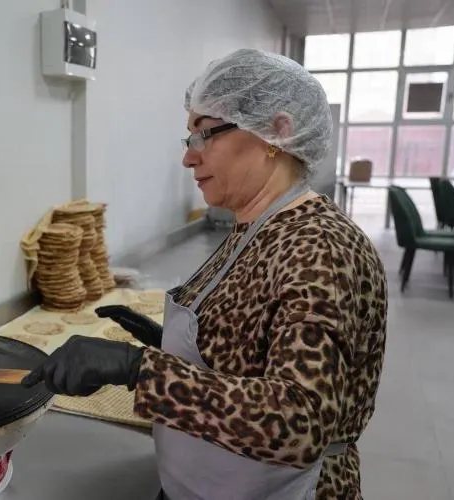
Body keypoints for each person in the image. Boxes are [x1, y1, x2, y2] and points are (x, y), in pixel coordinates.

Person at [22, 48, 388, 500]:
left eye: (206, 134)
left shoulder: (320, 247)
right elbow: (257, 348)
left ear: (277, 131)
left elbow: (298, 421)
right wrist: (169, 344)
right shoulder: (255, 226)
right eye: (188, 139)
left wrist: (140, 369)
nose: (189, 159)